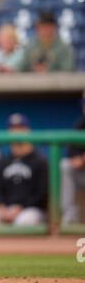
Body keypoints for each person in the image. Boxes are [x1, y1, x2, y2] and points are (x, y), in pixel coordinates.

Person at [0, 114, 48, 227]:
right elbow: (0, 191)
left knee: (22, 223)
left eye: (20, 128)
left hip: (31, 210)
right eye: (13, 129)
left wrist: (21, 208)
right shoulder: (4, 161)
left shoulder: (40, 160)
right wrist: (2, 207)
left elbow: (41, 194)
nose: (16, 132)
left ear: (28, 131)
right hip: (6, 210)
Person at [61, 93, 85, 224]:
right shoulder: (80, 125)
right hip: (82, 173)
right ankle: (69, 215)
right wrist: (80, 159)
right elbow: (71, 155)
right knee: (66, 165)